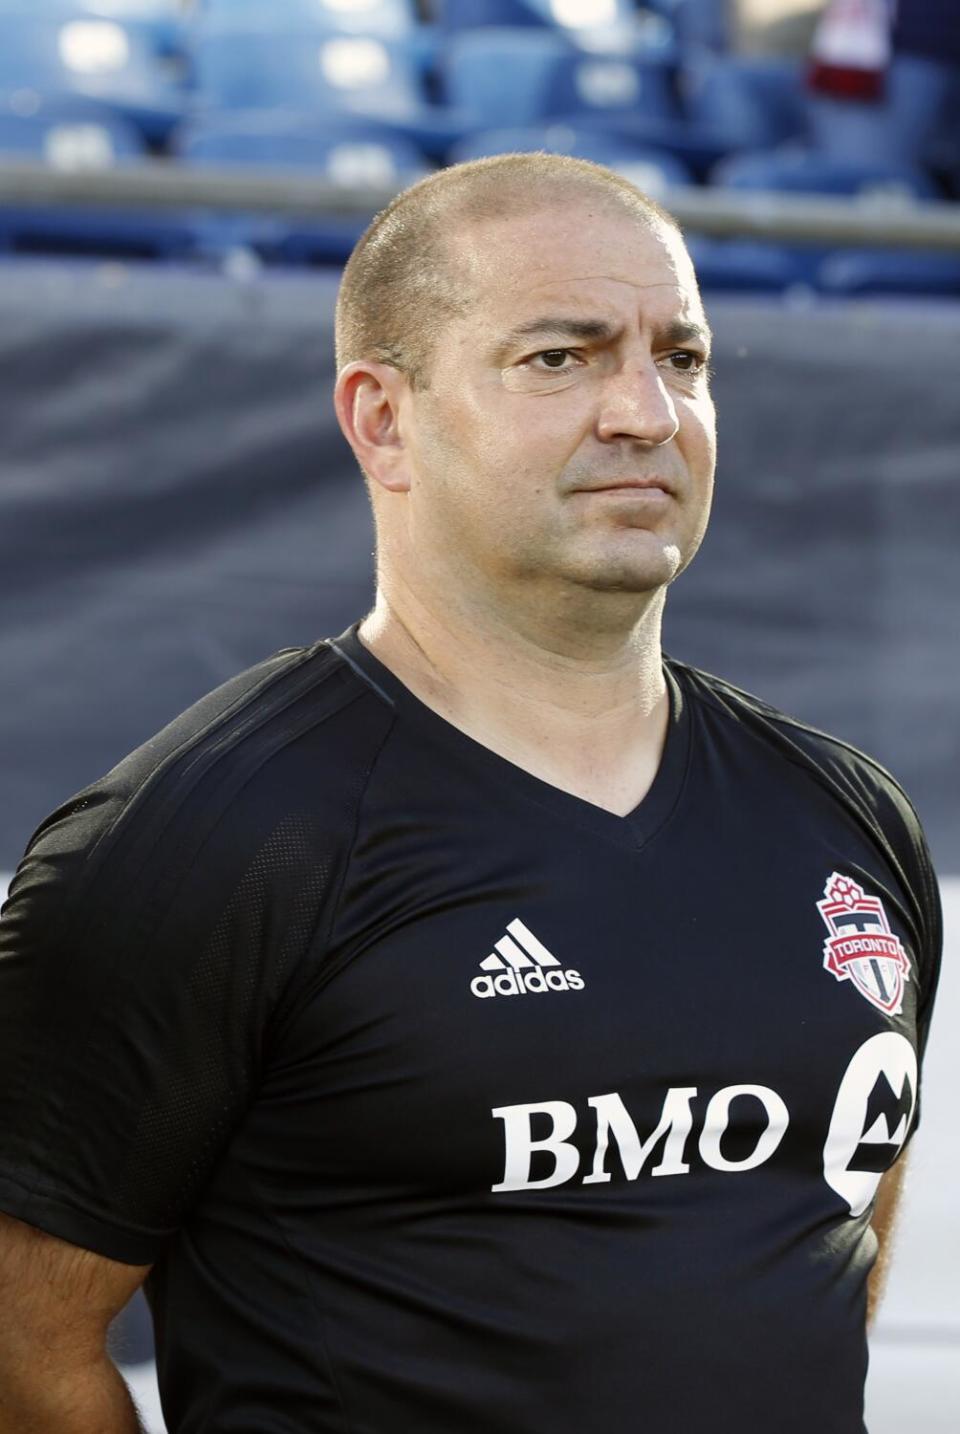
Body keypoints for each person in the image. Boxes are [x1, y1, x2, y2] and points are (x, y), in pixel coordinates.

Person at [0, 153, 941, 1434]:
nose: (645, 413)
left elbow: (828, 1240)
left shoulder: (844, 819)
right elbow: (23, 1343)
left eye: (683, 357)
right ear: (382, 419)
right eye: (561, 357)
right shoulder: (209, 841)